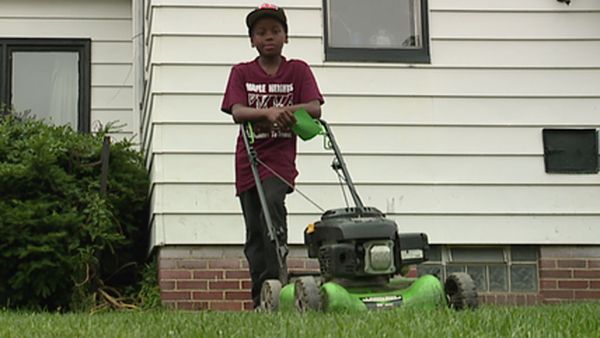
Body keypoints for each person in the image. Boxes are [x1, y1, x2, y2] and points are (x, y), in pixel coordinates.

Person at [220, 3, 324, 308]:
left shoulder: (298, 70)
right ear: (252, 39)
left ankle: (280, 281)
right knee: (255, 232)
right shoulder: (241, 72)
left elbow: (315, 107)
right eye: (261, 32)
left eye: (275, 31)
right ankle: (261, 298)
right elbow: (238, 112)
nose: (269, 37)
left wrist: (286, 112)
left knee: (273, 207)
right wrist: (268, 113)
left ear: (286, 37)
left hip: (279, 160)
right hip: (249, 160)